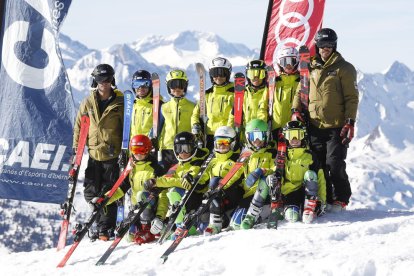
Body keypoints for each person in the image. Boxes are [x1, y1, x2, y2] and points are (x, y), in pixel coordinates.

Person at [291, 28, 359, 212]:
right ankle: (326, 198)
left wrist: (350, 121)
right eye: (321, 45)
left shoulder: (344, 68)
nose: (325, 49)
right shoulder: (309, 67)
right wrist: (295, 111)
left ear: (334, 46)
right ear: (317, 46)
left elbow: (352, 97)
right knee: (318, 164)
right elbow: (300, 91)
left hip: (336, 126)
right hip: (314, 125)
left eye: (329, 45)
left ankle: (341, 198)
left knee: (334, 163)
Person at [241, 121, 327, 229]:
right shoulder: (282, 155)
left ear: (303, 136)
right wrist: (268, 175)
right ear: (286, 137)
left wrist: (322, 201)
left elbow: (320, 179)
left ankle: (309, 209)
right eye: (291, 135)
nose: (294, 139)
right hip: (289, 195)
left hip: (304, 192)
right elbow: (276, 171)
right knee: (292, 216)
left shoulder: (310, 156)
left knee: (311, 174)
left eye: (298, 135)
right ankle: (252, 214)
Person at [72, 64, 124, 241]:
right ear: (95, 80)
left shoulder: (121, 101)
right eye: (101, 79)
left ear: (112, 80)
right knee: (90, 191)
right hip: (94, 154)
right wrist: (76, 150)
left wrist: (127, 150)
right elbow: (80, 126)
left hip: (112, 154)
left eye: (108, 79)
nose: (104, 83)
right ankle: (97, 222)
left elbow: (127, 127)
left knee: (108, 193)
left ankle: (105, 229)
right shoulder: (88, 101)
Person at [144, 132, 210, 238]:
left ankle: (182, 226)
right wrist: (155, 183)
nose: (182, 152)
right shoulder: (177, 166)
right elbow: (167, 180)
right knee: (165, 190)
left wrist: (162, 182)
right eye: (179, 149)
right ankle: (166, 222)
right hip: (186, 202)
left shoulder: (197, 163)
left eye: (186, 148)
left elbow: (186, 184)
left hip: (198, 199)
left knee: (174, 190)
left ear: (193, 148)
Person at [105, 135, 166, 244]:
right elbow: (121, 189)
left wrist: (160, 217)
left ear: (148, 150)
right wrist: (105, 199)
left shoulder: (156, 169)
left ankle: (148, 229)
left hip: (151, 210)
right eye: (134, 150)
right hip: (136, 210)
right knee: (128, 237)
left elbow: (163, 194)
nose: (137, 154)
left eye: (141, 150)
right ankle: (138, 228)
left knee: (141, 195)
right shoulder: (132, 169)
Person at [228, 119, 277, 230]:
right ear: (247, 137)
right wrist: (222, 185)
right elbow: (235, 173)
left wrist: (263, 171)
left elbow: (276, 169)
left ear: (266, 136)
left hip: (265, 194)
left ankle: (259, 215)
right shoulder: (245, 155)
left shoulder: (271, 153)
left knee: (265, 181)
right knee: (235, 225)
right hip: (249, 194)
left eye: (259, 135)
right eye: (252, 136)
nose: (256, 140)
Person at [195, 126, 244, 235]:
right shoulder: (212, 160)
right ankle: (220, 218)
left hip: (231, 194)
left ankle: (215, 223)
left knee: (214, 181)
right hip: (215, 197)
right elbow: (203, 177)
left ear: (232, 143)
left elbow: (236, 177)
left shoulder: (237, 159)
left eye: (225, 143)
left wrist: (219, 187)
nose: (221, 146)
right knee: (202, 222)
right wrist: (194, 181)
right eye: (218, 142)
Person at [191, 57, 234, 150]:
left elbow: (235, 115)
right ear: (211, 75)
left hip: (226, 137)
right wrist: (195, 125)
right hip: (210, 136)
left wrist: (228, 131)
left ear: (228, 75)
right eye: (215, 73)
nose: (218, 77)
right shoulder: (207, 94)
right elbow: (196, 113)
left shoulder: (233, 93)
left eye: (222, 73)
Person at [158, 69, 196, 171]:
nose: (177, 88)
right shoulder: (164, 107)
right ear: (168, 87)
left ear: (185, 86)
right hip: (167, 149)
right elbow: (158, 127)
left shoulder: (193, 106)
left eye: (181, 84)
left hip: (185, 149)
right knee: (164, 176)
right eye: (173, 84)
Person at [271, 47, 300, 141]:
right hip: (276, 127)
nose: (288, 65)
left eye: (291, 61)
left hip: (294, 127)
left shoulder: (301, 82)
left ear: (297, 62)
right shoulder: (274, 82)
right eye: (284, 62)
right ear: (279, 63)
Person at [238, 60, 269, 143]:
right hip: (247, 135)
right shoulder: (243, 93)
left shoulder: (269, 91)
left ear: (265, 75)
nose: (256, 78)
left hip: (263, 136)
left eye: (260, 74)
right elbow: (236, 114)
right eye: (252, 74)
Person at [130, 70, 164, 139]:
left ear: (150, 85)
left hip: (150, 147)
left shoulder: (159, 106)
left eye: (145, 84)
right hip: (134, 147)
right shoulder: (132, 106)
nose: (141, 87)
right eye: (137, 84)